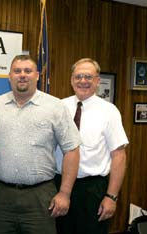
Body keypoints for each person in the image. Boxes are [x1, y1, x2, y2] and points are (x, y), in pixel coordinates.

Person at [0, 55, 81, 234]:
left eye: (28, 71)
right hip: (0, 196)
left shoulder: (55, 107)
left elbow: (72, 150)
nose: (22, 75)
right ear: (9, 76)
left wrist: (65, 193)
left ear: (37, 75)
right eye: (17, 71)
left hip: (40, 196)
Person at [55, 58, 129, 234]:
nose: (83, 81)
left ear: (97, 81)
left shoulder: (109, 111)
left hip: (92, 190)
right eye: (78, 76)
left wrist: (111, 197)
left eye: (88, 76)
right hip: (58, 185)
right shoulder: (59, 106)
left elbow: (119, 155)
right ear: (71, 79)